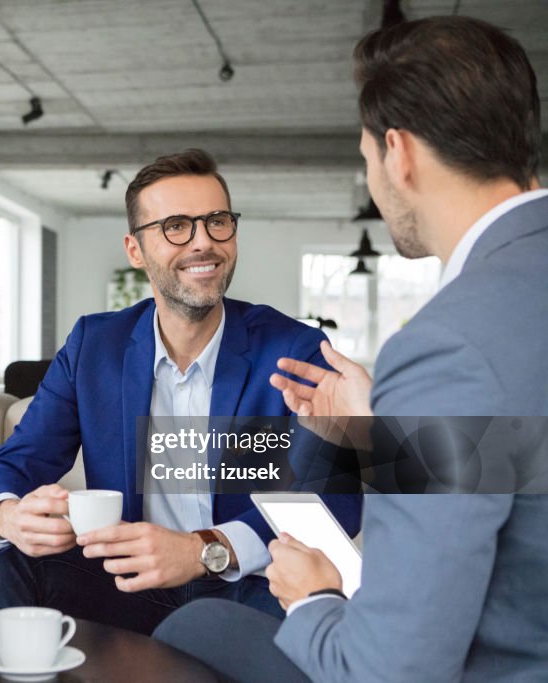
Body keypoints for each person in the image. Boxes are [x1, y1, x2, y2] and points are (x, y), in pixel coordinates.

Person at [153, 16, 548, 681]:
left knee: (193, 624)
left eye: (217, 223)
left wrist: (315, 600)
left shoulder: (441, 345)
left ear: (399, 153)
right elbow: (515, 452)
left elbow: (394, 669)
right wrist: (390, 431)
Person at [0, 149, 362, 635]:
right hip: (122, 583)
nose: (203, 243)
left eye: (217, 222)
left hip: (244, 587)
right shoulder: (94, 345)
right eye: (176, 226)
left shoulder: (292, 348)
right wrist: (9, 517)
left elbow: (338, 501)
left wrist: (204, 550)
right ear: (135, 249)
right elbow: (16, 462)